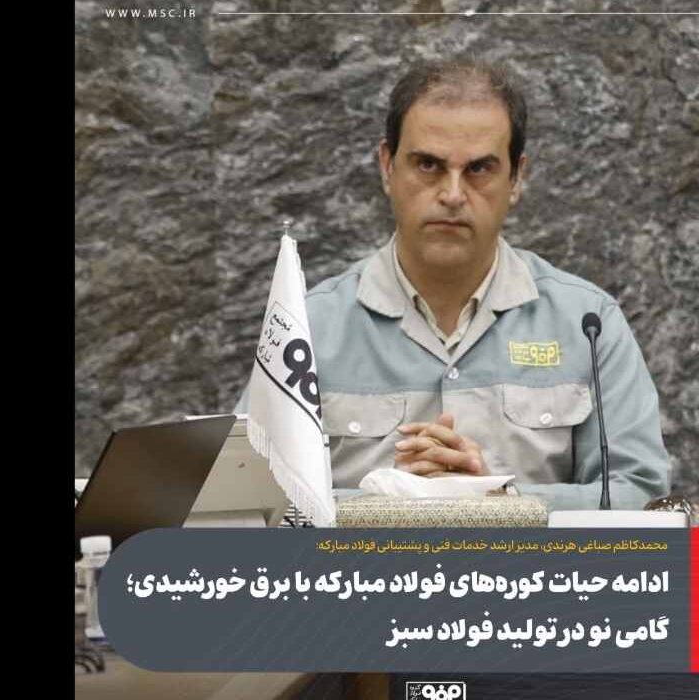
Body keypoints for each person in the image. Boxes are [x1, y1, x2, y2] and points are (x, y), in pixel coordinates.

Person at [236, 58, 670, 510]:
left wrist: (500, 499)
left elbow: (642, 495)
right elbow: (246, 499)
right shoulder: (307, 328)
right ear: (386, 167)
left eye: (479, 169)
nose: (453, 194)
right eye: (428, 165)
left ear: (516, 178)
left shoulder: (588, 324)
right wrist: (390, 500)